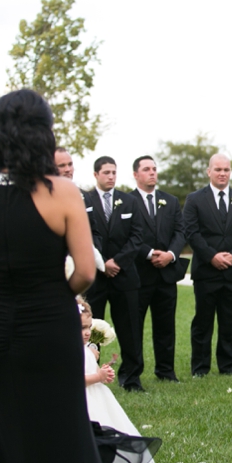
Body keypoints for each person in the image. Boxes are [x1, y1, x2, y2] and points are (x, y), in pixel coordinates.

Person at [0, 88, 113, 463]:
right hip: (48, 326)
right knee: (60, 433)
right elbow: (84, 270)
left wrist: (2, 294)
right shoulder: (61, 192)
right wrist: (48, 295)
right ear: (43, 133)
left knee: (3, 434)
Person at [182, 153, 232, 377]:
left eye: (226, 170)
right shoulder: (195, 200)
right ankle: (200, 368)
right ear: (209, 172)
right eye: (218, 170)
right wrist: (212, 256)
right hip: (206, 272)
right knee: (202, 323)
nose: (222, 173)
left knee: (229, 323)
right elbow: (191, 232)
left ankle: (227, 367)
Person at [84, 156, 146, 392]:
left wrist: (117, 262)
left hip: (125, 276)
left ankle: (131, 378)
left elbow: (137, 236)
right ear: (96, 175)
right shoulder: (85, 200)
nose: (111, 176)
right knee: (91, 330)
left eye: (114, 172)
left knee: (130, 328)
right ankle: (93, 375)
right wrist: (103, 264)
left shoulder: (129, 202)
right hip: (96, 277)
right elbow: (85, 236)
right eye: (106, 173)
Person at [79, 297, 158, 463]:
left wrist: (102, 373)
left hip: (98, 397)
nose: (86, 333)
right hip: (83, 401)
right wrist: (97, 376)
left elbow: (92, 370)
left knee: (107, 429)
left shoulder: (88, 349)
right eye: (82, 328)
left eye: (88, 327)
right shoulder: (71, 351)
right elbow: (74, 379)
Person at [130, 155, 188, 383]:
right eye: (146, 169)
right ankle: (132, 373)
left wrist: (170, 255)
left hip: (166, 274)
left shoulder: (170, 201)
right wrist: (148, 253)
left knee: (165, 326)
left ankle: (165, 371)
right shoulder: (127, 201)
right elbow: (126, 234)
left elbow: (180, 232)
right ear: (136, 174)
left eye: (154, 168)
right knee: (134, 327)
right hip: (138, 274)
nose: (152, 172)